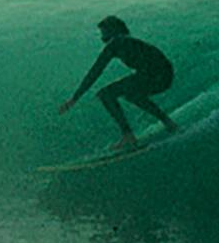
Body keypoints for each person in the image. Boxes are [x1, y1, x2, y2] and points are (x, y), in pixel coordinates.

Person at [58, 15, 177, 151]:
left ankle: (128, 135)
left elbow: (95, 72)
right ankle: (168, 122)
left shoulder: (116, 43)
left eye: (104, 32)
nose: (102, 36)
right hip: (162, 75)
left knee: (105, 94)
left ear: (112, 31)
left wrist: (74, 98)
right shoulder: (124, 41)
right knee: (131, 95)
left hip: (158, 75)